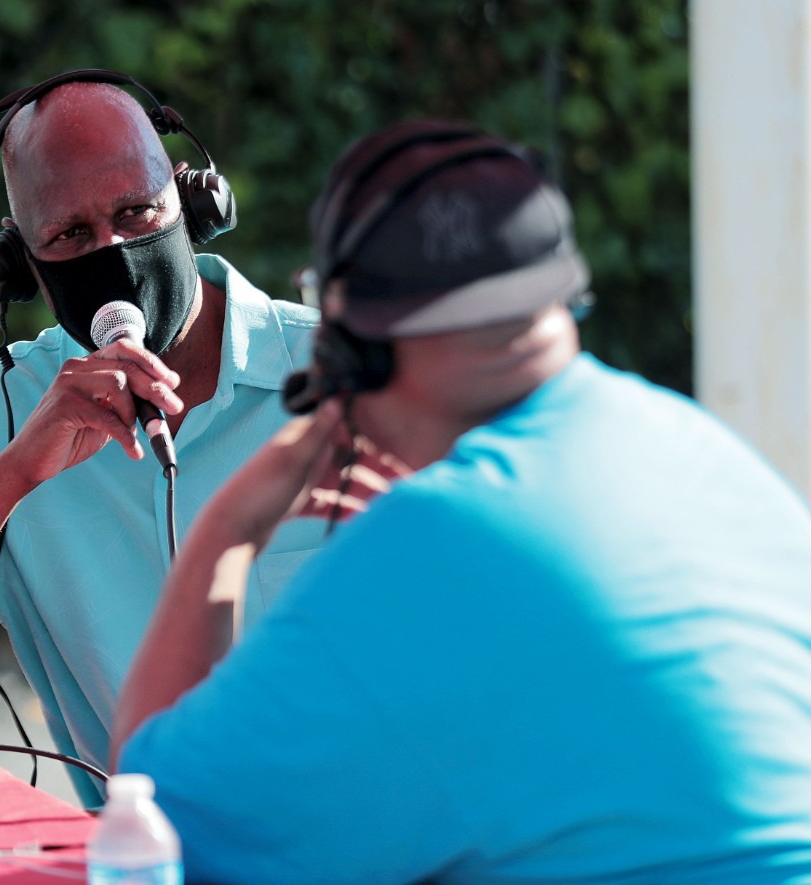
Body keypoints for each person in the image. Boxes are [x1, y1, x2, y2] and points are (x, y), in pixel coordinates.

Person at [110, 120, 811, 883]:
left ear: (350, 349)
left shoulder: (433, 536)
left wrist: (233, 526)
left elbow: (154, 826)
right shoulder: (698, 446)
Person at [0, 72, 324, 809]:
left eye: (138, 212)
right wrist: (12, 475)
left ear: (194, 203)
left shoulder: (352, 379)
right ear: (21, 269)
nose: (113, 251)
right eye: (72, 235)